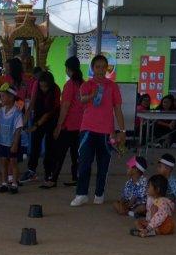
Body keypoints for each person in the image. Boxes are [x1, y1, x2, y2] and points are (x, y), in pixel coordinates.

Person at [70, 54, 125, 207]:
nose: (101, 70)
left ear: (107, 68)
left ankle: (99, 193)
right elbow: (82, 100)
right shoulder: (87, 85)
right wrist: (92, 95)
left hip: (107, 132)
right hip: (88, 129)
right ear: (92, 68)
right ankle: (81, 194)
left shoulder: (112, 86)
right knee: (84, 163)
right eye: (97, 67)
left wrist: (122, 131)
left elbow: (118, 109)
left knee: (103, 165)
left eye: (103, 67)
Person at [43, 57, 85, 189]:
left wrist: (59, 125)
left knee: (59, 154)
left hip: (68, 125)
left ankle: (53, 179)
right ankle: (75, 178)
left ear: (68, 68)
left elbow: (65, 106)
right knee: (75, 154)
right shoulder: (83, 84)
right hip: (81, 125)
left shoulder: (70, 85)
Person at [22, 71, 60, 184]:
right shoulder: (36, 85)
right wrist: (24, 121)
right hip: (38, 115)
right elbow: (31, 104)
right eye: (41, 86)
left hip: (52, 118)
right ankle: (31, 171)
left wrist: (36, 125)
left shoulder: (56, 89)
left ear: (50, 84)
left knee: (50, 146)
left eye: (45, 86)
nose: (43, 89)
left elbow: (49, 112)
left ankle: (49, 172)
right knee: (35, 145)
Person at [0, 83, 24, 194]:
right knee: (3, 163)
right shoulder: (1, 111)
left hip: (12, 143)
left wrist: (15, 144)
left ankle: (14, 184)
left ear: (11, 97)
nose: (0, 98)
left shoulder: (17, 113)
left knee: (13, 163)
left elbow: (18, 129)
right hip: (2, 142)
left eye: (3, 96)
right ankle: (4, 183)